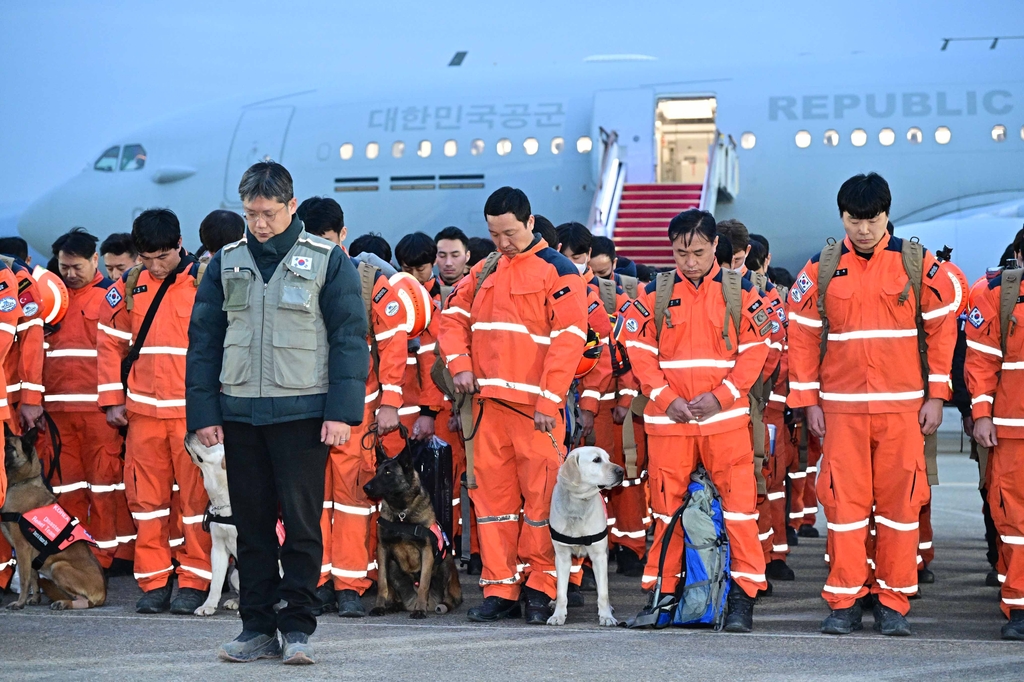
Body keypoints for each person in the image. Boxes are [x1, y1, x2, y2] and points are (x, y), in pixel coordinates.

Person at [186, 162, 369, 664]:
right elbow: (204, 342)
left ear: (292, 206)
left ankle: (299, 628)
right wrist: (203, 412)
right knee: (252, 527)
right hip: (240, 413)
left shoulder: (329, 261)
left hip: (303, 415)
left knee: (304, 528)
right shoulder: (224, 262)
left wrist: (340, 414)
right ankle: (257, 629)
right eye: (251, 214)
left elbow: (350, 340)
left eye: (268, 213)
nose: (259, 223)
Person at [787, 173, 957, 636]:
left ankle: (893, 601)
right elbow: (800, 335)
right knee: (843, 509)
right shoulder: (820, 268)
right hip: (841, 412)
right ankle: (844, 599)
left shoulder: (916, 263)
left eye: (872, 220)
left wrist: (937, 395)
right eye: (853, 220)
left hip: (903, 411)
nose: (863, 229)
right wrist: (807, 401)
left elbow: (943, 327)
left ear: (887, 215)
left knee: (901, 509)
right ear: (841, 217)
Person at [438, 187, 588, 624]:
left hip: (534, 412)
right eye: (492, 233)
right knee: (493, 504)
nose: (501, 242)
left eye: (508, 233)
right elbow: (452, 320)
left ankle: (542, 589)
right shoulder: (485, 270)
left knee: (543, 504)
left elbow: (569, 342)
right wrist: (460, 364)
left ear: (529, 222)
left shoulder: (557, 271)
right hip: (488, 411)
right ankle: (500, 589)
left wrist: (549, 399)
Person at [624, 208, 771, 633]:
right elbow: (639, 352)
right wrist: (665, 398)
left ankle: (743, 598)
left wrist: (722, 396)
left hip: (724, 423)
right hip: (669, 424)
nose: (689, 260)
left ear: (714, 249)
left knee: (741, 511)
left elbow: (755, 350)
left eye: (699, 251)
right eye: (681, 252)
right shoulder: (652, 293)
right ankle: (663, 596)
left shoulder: (739, 293)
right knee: (666, 513)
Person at [97, 209, 212, 616]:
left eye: (161, 257)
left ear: (179, 245)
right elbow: (110, 342)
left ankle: (195, 581)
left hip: (191, 416)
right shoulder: (130, 285)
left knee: (196, 503)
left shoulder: (204, 282)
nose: (154, 266)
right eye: (146, 258)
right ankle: (154, 581)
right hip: (142, 415)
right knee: (148, 503)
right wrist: (112, 400)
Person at [297, 197, 406, 619]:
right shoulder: (292, 274)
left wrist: (390, 404)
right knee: (310, 501)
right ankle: (318, 583)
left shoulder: (369, 280)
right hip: (305, 407)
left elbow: (394, 343)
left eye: (326, 239)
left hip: (355, 411)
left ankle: (350, 584)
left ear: (342, 235)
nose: (319, 247)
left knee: (352, 500)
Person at [556, 222, 648, 578]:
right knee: (574, 485)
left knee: (621, 479)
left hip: (608, 408)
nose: (574, 264)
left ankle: (630, 548)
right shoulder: (554, 290)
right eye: (567, 257)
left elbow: (624, 352)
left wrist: (621, 400)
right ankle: (577, 566)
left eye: (579, 257)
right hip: (565, 404)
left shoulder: (612, 298)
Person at [42, 229, 127, 570]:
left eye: (77, 266)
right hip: (57, 414)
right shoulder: (50, 298)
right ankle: (73, 555)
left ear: (95, 260)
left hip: (98, 412)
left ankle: (104, 560)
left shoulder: (112, 296)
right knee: (65, 490)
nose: (70, 273)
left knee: (105, 489)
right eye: (64, 267)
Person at [964, 244, 1024, 640]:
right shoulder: (995, 294)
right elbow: (981, 362)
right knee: (1014, 522)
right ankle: (1019, 604)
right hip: (1011, 430)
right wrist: (981, 415)